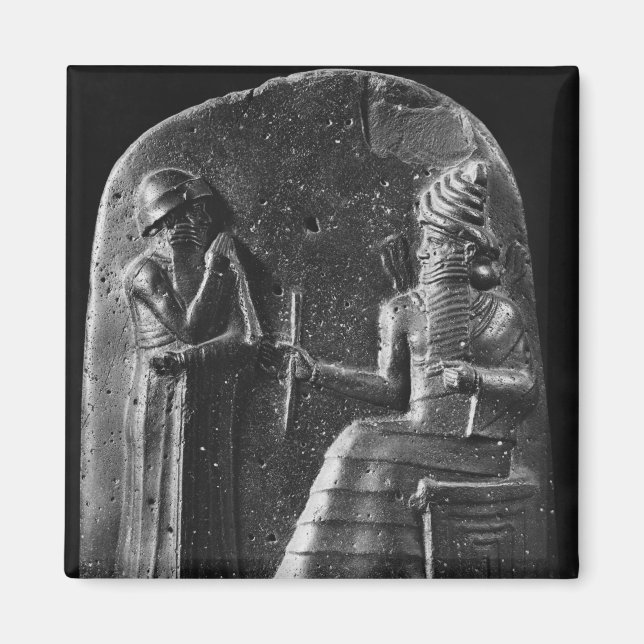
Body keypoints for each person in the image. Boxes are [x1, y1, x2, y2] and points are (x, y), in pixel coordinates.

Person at [260, 160, 537, 578]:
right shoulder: (403, 310)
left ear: (464, 252)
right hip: (422, 432)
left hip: (477, 448)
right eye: (423, 240)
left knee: (365, 445)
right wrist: (316, 372)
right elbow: (393, 390)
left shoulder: (501, 314)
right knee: (357, 438)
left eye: (433, 242)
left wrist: (476, 378)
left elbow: (527, 386)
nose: (422, 251)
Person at [117, 169, 260, 578]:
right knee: (163, 508)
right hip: (163, 399)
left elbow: (247, 339)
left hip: (208, 397)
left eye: (204, 212)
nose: (208, 220)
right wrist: (213, 268)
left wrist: (216, 268)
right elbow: (192, 329)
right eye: (196, 213)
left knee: (207, 508)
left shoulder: (217, 262)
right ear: (169, 223)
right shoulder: (145, 271)